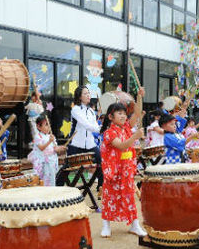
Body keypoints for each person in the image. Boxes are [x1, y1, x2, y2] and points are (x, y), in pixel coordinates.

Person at [99, 89, 146, 238]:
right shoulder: (109, 133)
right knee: (110, 196)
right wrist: (136, 136)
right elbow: (122, 146)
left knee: (129, 197)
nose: (123, 116)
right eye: (119, 113)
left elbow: (137, 113)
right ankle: (106, 225)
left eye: (124, 113)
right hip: (113, 170)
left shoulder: (125, 127)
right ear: (110, 117)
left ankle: (134, 225)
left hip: (126, 169)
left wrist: (139, 96)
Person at [62, 86, 103, 195]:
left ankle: (101, 186)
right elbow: (85, 124)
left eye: (88, 93)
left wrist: (103, 128)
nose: (88, 95)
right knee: (66, 168)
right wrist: (100, 128)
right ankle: (57, 189)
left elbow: (94, 126)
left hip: (90, 144)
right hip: (76, 144)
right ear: (79, 97)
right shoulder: (75, 109)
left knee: (101, 162)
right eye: (85, 93)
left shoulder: (91, 111)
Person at [28, 115, 66, 186]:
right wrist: (49, 141)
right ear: (38, 127)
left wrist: (61, 148)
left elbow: (55, 148)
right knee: (43, 181)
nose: (48, 127)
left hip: (51, 162)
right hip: (42, 163)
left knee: (51, 180)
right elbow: (41, 148)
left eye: (49, 124)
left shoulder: (50, 136)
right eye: (46, 125)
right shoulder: (37, 136)